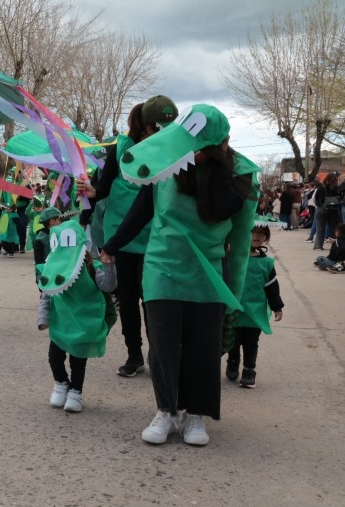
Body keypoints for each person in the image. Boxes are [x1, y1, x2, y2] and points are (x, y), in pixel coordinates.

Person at [101, 103, 256, 447]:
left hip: (208, 271)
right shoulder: (166, 163)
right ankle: (167, 410)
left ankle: (196, 413)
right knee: (163, 343)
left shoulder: (240, 175)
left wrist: (235, 292)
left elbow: (238, 237)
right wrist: (112, 245)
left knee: (203, 346)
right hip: (162, 264)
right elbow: (141, 210)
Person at [91, 95, 178, 378]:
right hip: (122, 236)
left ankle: (157, 354)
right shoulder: (120, 148)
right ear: (146, 126)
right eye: (158, 127)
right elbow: (103, 187)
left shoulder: (168, 149)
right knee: (128, 300)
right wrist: (90, 192)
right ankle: (134, 354)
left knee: (152, 299)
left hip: (155, 236)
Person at [37, 219, 117, 412]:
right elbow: (47, 293)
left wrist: (109, 266)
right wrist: (43, 317)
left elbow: (108, 286)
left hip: (83, 324)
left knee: (78, 360)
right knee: (54, 357)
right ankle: (61, 383)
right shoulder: (54, 268)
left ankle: (75, 391)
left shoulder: (92, 266)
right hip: (61, 322)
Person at [226, 219, 284, 389]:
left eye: (261, 233)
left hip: (254, 313)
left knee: (251, 342)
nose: (257, 236)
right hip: (234, 309)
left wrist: (277, 307)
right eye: (253, 232)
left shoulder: (266, 263)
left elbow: (272, 287)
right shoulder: (234, 257)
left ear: (266, 238)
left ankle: (249, 371)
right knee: (233, 340)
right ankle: (233, 361)